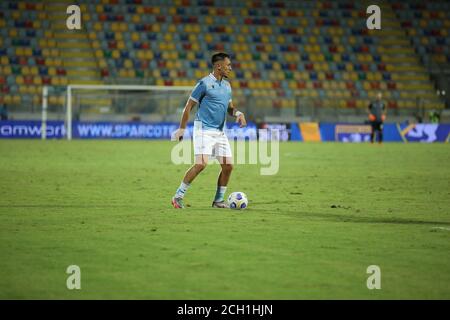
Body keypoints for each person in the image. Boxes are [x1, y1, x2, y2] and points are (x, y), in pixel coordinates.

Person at [171, 52, 247, 209]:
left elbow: (229, 108)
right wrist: (182, 129)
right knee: (201, 163)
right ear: (219, 66)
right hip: (203, 129)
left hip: (220, 131)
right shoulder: (203, 84)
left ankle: (218, 201)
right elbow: (188, 107)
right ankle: (178, 196)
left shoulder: (227, 86)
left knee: (228, 166)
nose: (230, 69)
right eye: (228, 66)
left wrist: (238, 113)